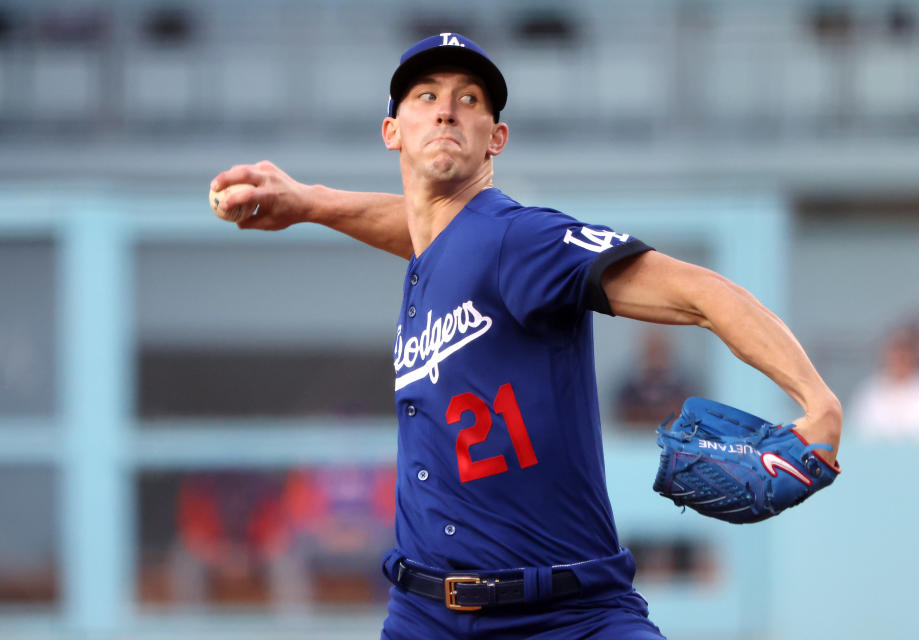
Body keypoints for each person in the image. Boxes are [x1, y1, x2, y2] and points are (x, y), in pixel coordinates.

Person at [211, 32, 842, 640]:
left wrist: (818, 403)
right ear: (392, 131)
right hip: (424, 614)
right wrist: (309, 201)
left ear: (496, 139)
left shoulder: (521, 239)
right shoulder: (436, 251)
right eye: (426, 96)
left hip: (566, 613)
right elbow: (423, 230)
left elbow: (702, 294)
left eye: (470, 100)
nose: (447, 112)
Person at [848, 327, 919, 441]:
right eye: (896, 353)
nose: (901, 359)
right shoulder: (870, 392)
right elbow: (860, 432)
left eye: (906, 353)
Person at [615, 328, 694, 428]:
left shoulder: (684, 392)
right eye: (652, 351)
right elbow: (626, 421)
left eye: (661, 351)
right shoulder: (628, 393)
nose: (656, 358)